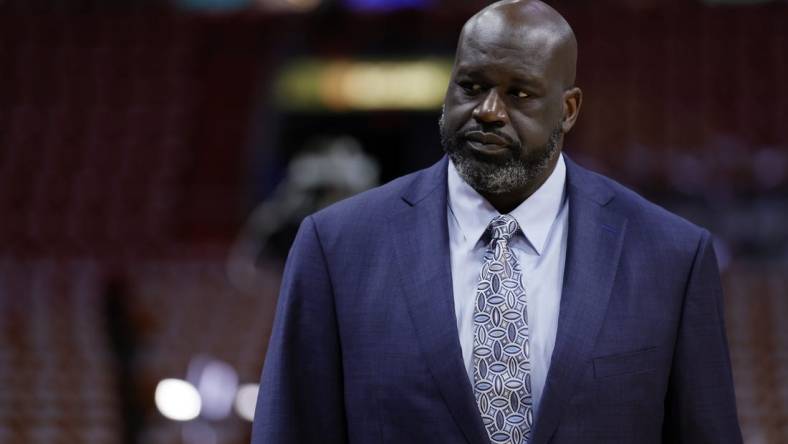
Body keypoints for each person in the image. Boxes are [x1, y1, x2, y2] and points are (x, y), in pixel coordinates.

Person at [251, 0, 742, 443]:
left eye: (519, 94)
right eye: (471, 86)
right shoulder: (337, 245)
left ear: (568, 110)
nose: (487, 111)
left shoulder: (671, 256)